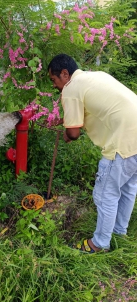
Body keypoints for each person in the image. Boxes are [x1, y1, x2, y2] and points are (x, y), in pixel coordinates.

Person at [48, 53, 137, 253]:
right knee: (128, 188)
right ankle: (118, 232)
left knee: (106, 194)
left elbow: (73, 133)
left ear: (64, 73)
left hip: (122, 143)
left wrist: (66, 136)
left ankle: (100, 244)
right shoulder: (95, 76)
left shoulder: (71, 88)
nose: (54, 86)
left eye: (54, 80)